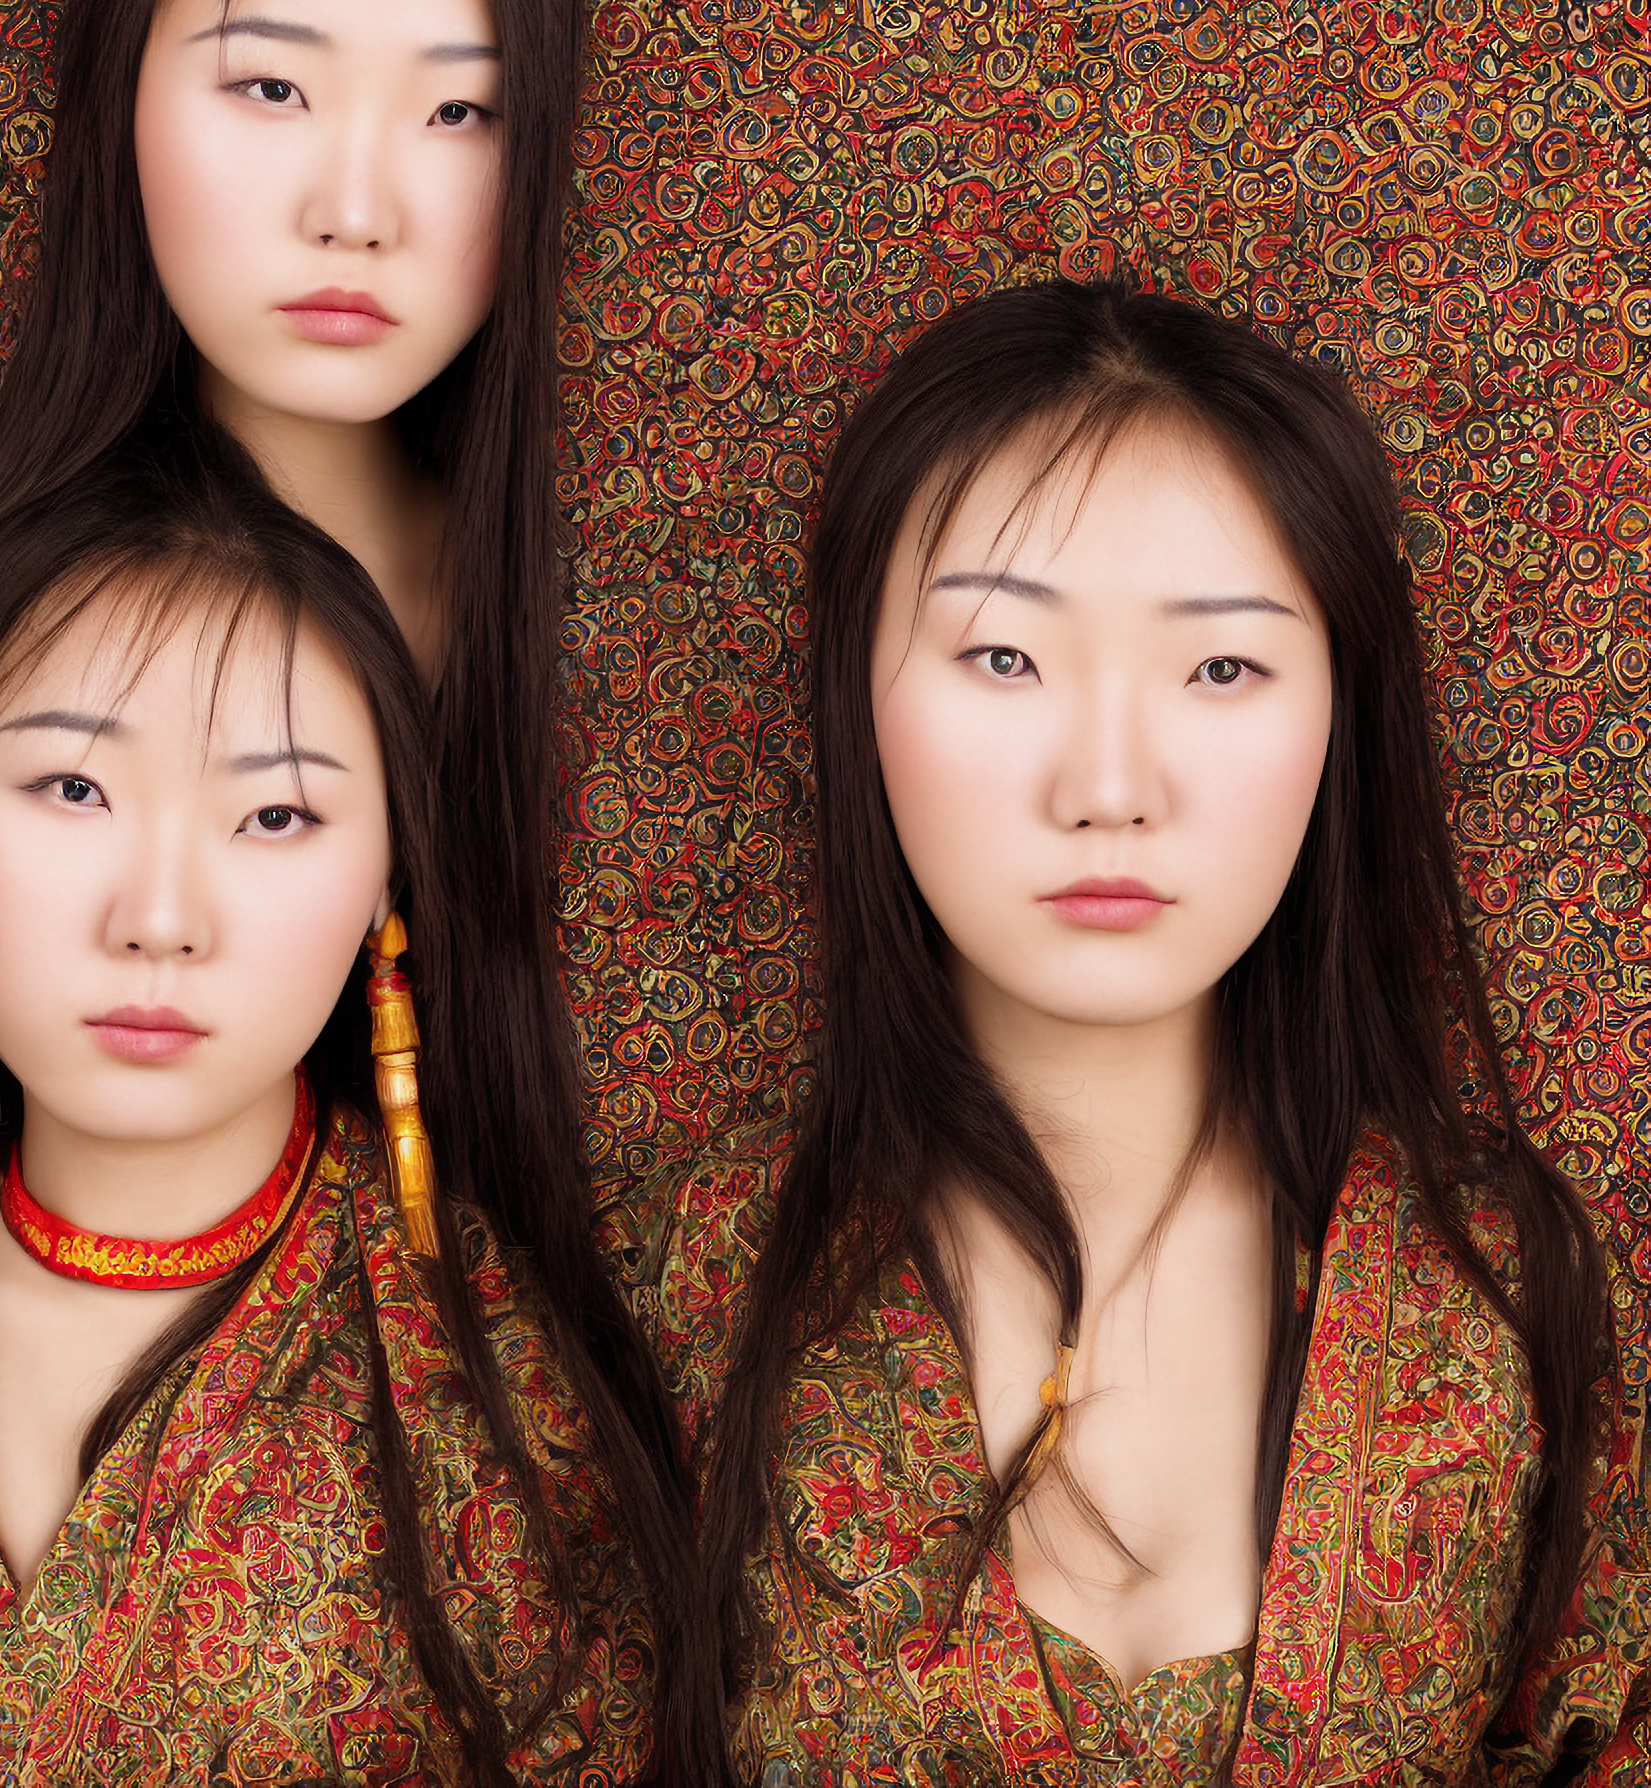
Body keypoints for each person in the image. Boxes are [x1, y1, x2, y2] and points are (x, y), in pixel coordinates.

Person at [0, 0, 692, 1750]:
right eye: (268, 88)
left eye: (463, 112)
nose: (359, 201)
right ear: (117, 96)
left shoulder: (628, 648)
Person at [639, 283, 1648, 1784]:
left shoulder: (1497, 1289)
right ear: (852, 690)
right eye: (1004, 659)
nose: (1110, 785)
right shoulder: (686, 1296)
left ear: (1340, 714)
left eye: (1221, 668)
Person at [0, 425, 657, 1785]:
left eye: (275, 815)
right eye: (73, 788)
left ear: (389, 882)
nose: (160, 919)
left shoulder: (503, 1396)